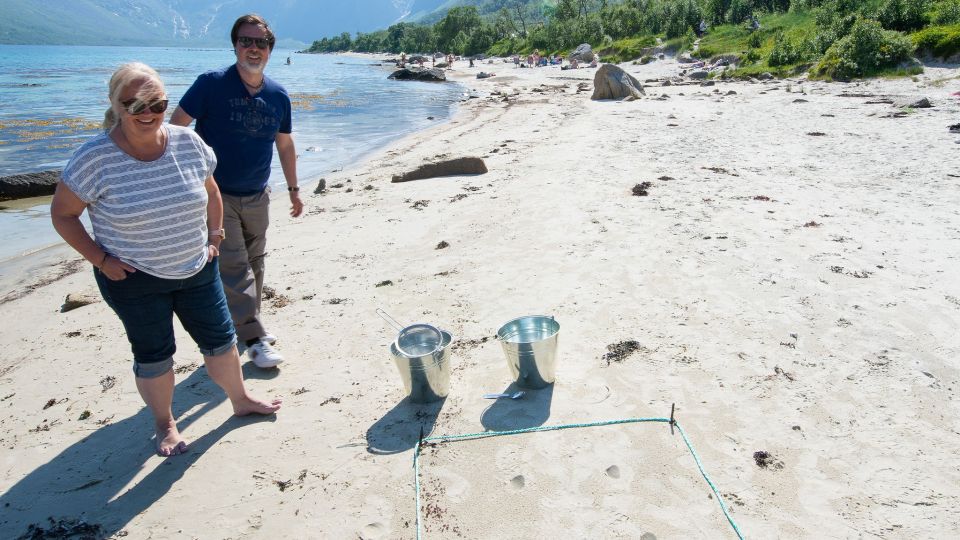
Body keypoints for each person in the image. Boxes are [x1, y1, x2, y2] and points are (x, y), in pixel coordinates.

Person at [50, 62, 282, 457]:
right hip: (134, 280)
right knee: (155, 355)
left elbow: (211, 190)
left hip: (197, 267)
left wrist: (215, 235)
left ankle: (240, 400)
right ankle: (165, 424)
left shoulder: (187, 143)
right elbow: (63, 214)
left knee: (222, 342)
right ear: (116, 105)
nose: (147, 112)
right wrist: (101, 260)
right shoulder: (95, 159)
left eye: (157, 102)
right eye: (135, 103)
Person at [171, 14, 303, 369]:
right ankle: (255, 337)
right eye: (246, 41)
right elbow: (175, 130)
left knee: (256, 261)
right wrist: (185, 179)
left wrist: (293, 189)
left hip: (258, 193)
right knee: (233, 264)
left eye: (260, 43)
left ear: (270, 50)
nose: (253, 48)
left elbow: (285, 144)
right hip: (216, 193)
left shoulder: (278, 95)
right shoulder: (210, 84)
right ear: (234, 45)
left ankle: (246, 323)